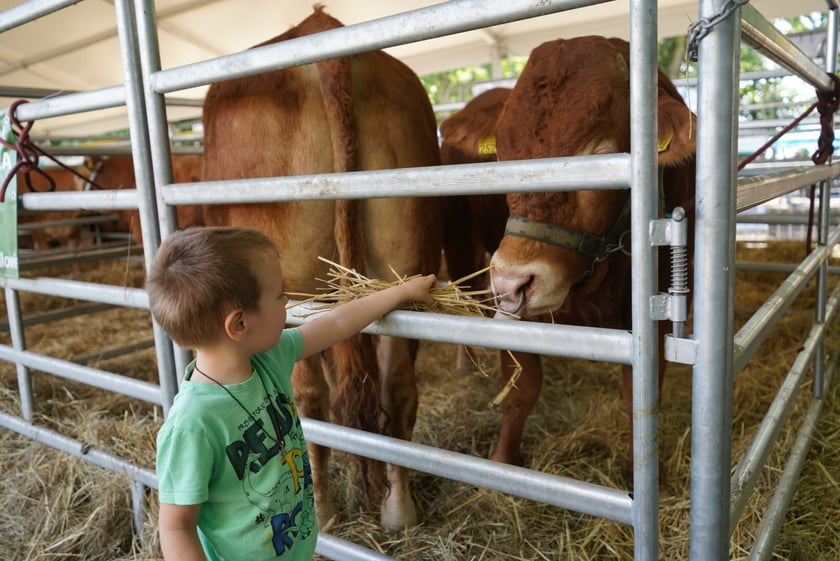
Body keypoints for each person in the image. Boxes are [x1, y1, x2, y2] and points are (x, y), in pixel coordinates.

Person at [145, 226, 437, 561]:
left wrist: (399, 293)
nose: (287, 302)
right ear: (239, 324)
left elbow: (336, 323)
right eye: (279, 294)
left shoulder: (271, 359)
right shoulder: (192, 426)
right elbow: (176, 527)